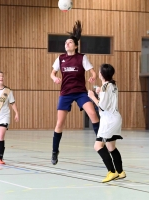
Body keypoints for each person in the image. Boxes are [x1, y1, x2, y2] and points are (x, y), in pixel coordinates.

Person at [50, 20, 99, 165]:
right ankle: (54, 150)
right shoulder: (60, 58)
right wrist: (54, 78)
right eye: (66, 42)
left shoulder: (82, 58)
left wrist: (93, 76)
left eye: (70, 42)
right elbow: (52, 73)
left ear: (75, 46)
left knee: (93, 114)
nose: (67, 44)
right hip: (65, 93)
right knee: (60, 123)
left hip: (80, 92)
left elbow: (93, 72)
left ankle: (100, 140)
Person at [88, 64, 126, 183]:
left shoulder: (105, 87)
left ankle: (112, 171)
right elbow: (108, 100)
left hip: (108, 121)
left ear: (101, 74)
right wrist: (99, 93)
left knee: (98, 146)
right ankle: (120, 172)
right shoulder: (112, 85)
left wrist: (93, 96)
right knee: (111, 147)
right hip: (115, 119)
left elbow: (103, 106)